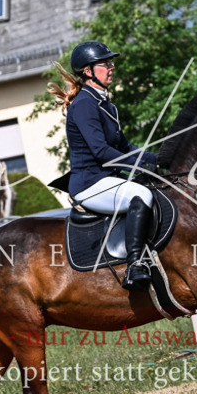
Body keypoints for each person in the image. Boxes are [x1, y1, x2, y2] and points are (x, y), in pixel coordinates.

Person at [49, 40, 158, 291]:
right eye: (105, 64)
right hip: (90, 184)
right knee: (141, 194)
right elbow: (101, 151)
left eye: (111, 62)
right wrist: (138, 166)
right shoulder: (84, 104)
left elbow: (124, 146)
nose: (112, 67)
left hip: (106, 179)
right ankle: (134, 265)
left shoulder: (105, 104)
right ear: (88, 71)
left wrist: (157, 159)